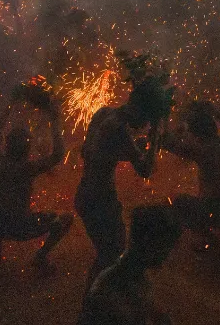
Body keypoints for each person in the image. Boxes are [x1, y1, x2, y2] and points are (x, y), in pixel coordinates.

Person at [75, 63, 169, 289]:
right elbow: (146, 170)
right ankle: (94, 303)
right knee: (110, 257)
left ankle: (96, 301)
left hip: (86, 195)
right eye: (147, 120)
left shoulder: (103, 113)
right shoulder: (121, 130)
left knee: (109, 253)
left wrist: (129, 148)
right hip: (100, 202)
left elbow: (91, 151)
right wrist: (156, 134)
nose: (145, 126)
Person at [0, 89, 73, 270]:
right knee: (64, 219)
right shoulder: (25, 169)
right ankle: (40, 257)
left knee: (4, 208)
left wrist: (10, 104)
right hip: (21, 228)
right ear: (26, 150)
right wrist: (54, 119)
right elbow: (58, 154)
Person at [161, 101, 220, 241]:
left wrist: (164, 118)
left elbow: (167, 141)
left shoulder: (202, 151)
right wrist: (215, 112)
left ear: (196, 135)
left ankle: (206, 236)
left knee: (177, 202)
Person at [79, 205, 182, 325]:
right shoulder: (116, 294)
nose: (169, 255)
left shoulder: (125, 275)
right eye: (167, 247)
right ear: (151, 246)